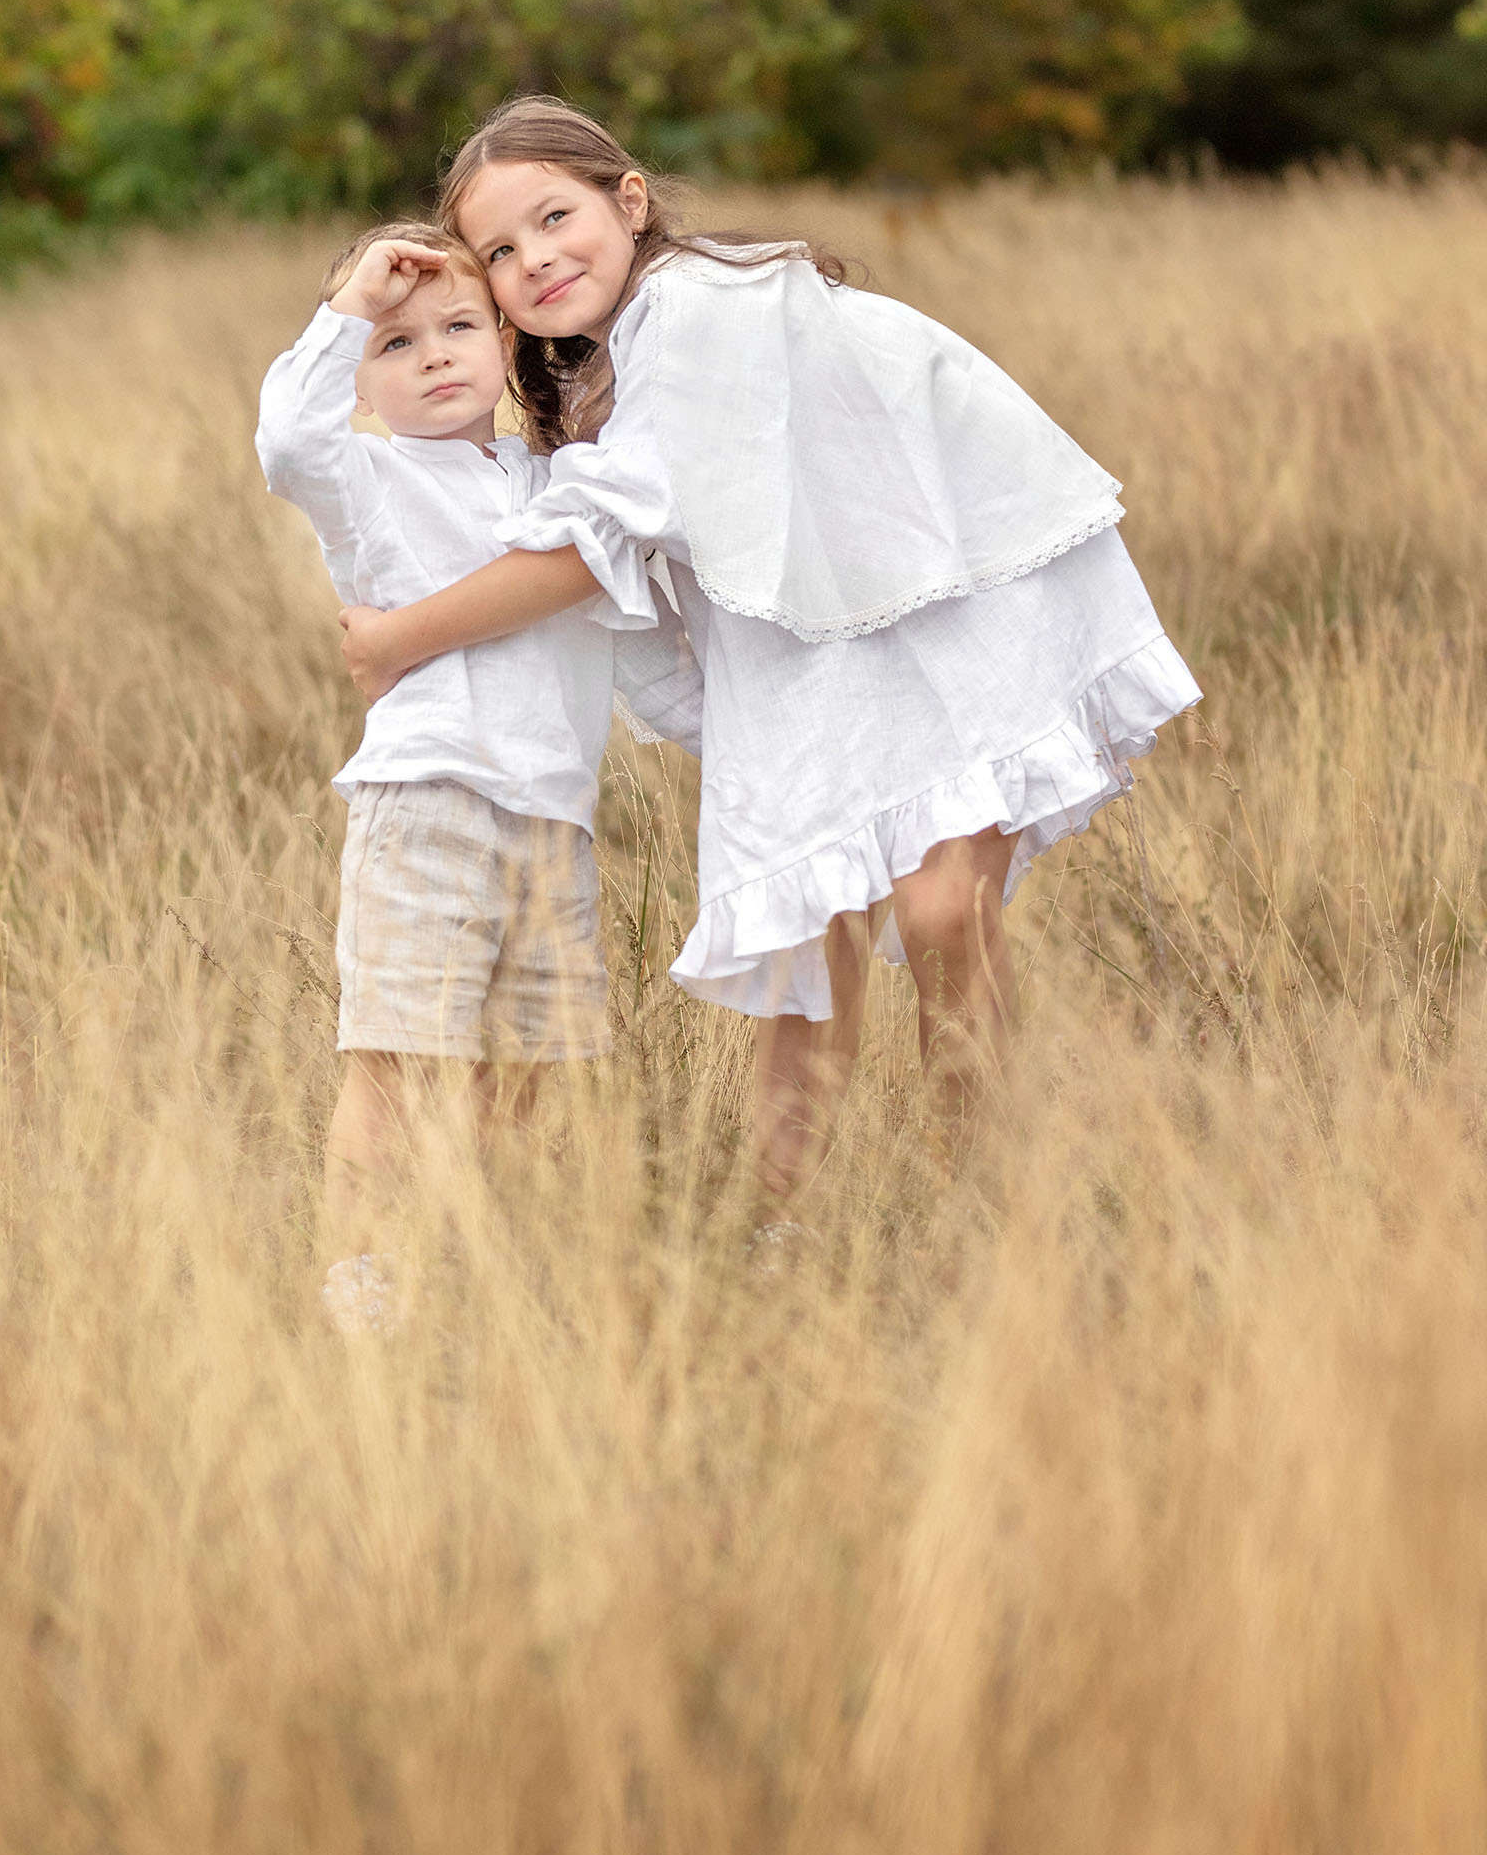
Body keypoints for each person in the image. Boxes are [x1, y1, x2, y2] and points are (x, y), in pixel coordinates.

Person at [335, 99, 1200, 1205]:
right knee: (810, 938)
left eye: (555, 217)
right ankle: (774, 1226)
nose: (535, 259)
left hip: (948, 598)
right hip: (815, 642)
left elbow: (590, 546)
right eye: (500, 253)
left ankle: (990, 1203)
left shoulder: (698, 308)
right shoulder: (608, 374)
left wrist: (395, 640)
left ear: (629, 201)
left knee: (940, 908)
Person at [256, 218, 700, 1330]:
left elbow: (638, 641)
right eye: (396, 346)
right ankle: (361, 1284)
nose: (435, 355)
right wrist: (349, 304)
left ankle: (468, 1257)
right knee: (400, 1055)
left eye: (458, 327)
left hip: (556, 822)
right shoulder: (364, 476)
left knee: (538, 1065)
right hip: (430, 802)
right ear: (361, 381)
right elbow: (286, 445)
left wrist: (735, 744)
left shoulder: (558, 482)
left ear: (507, 345)